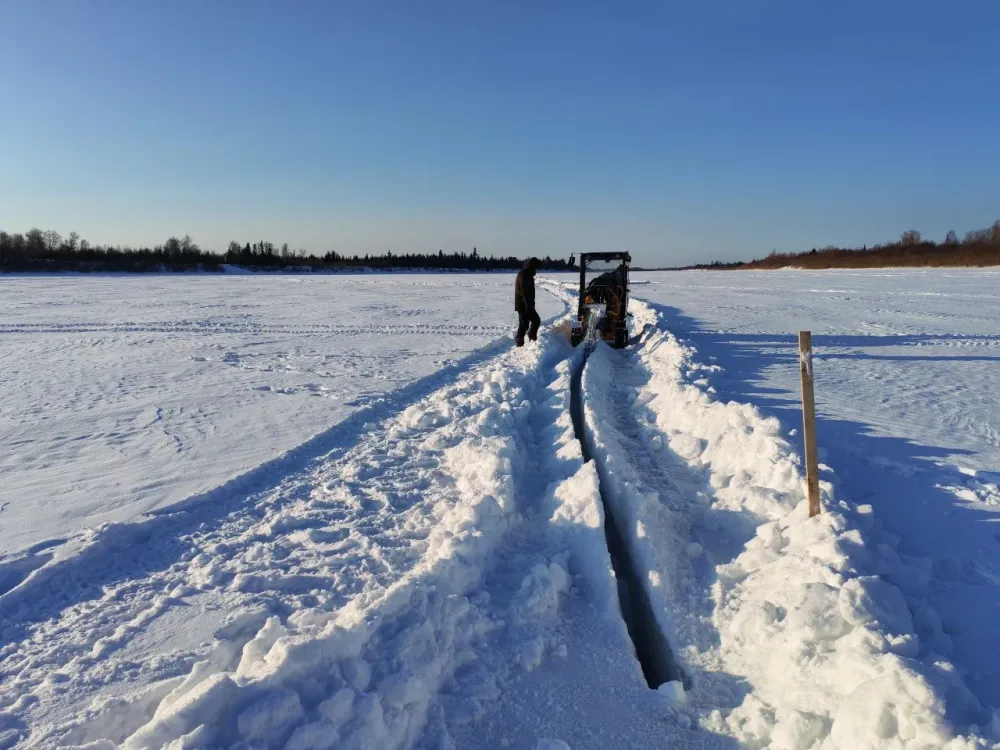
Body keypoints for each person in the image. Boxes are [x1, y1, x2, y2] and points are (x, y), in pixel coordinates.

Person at [514, 257, 541, 346]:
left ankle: (531, 338)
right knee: (525, 323)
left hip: (526, 304)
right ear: (532, 266)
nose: (536, 269)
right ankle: (520, 342)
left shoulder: (527, 274)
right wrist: (528, 306)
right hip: (523, 305)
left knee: (532, 321)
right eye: (536, 267)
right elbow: (524, 292)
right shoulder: (524, 275)